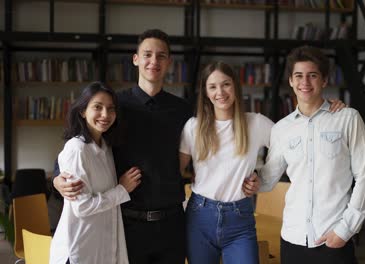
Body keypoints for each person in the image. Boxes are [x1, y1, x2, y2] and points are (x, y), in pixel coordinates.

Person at [179, 61, 346, 264]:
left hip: (239, 218)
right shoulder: (192, 127)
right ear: (205, 92)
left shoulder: (256, 123)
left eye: (226, 84)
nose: (220, 92)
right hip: (199, 217)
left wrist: (326, 109)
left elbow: (296, 136)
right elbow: (175, 172)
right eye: (212, 86)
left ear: (235, 87)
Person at [53, 29, 192, 264]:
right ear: (136, 59)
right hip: (126, 223)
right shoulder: (115, 106)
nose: (154, 61)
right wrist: (58, 177)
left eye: (161, 56)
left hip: (171, 224)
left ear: (169, 62)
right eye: (147, 54)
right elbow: (82, 145)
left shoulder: (183, 110)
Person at [257, 46, 365, 264]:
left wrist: (346, 228)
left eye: (313, 75)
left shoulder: (347, 118)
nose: (305, 82)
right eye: (299, 76)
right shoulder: (282, 129)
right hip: (293, 238)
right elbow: (267, 178)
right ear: (291, 81)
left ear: (324, 80)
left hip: (333, 236)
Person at [50, 82, 141, 264]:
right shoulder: (77, 149)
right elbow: (82, 206)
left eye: (110, 109)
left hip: (99, 246)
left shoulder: (105, 146)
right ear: (83, 111)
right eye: (97, 107)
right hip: (79, 250)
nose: (105, 115)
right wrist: (122, 190)